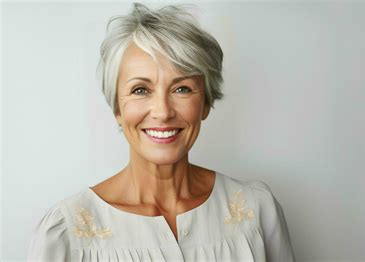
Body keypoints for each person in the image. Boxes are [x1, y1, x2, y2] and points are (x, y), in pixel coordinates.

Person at [27, 3, 295, 261]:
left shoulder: (257, 212)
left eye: (182, 88)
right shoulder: (67, 233)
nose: (163, 111)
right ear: (117, 108)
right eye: (140, 90)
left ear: (205, 103)